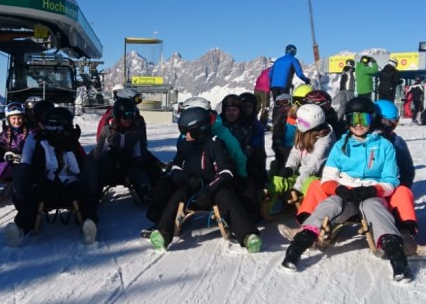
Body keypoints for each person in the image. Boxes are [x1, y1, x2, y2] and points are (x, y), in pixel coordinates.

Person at [279, 96, 409, 279]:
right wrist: (338, 189)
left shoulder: (384, 146)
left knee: (375, 208)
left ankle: (395, 253)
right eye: (353, 119)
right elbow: (328, 177)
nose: (359, 124)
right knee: (331, 204)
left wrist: (374, 190)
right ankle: (300, 243)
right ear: (348, 121)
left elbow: (391, 179)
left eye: (363, 119)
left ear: (372, 119)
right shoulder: (341, 146)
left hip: (372, 193)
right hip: (345, 192)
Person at [144, 106, 261, 253]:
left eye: (187, 131)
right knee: (177, 196)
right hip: (192, 186)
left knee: (228, 197)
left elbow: (226, 171)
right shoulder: (185, 145)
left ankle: (248, 235)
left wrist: (210, 189)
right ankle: (162, 232)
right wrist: (187, 179)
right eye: (182, 131)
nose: (184, 135)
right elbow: (176, 167)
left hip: (214, 188)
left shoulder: (215, 143)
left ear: (200, 130)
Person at [7, 106, 99, 246]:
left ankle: (89, 225)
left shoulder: (71, 144)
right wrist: (44, 183)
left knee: (81, 193)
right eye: (68, 125)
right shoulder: (42, 144)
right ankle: (20, 229)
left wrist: (70, 148)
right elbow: (37, 170)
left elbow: (78, 170)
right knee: (34, 197)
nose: (71, 128)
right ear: (58, 127)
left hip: (69, 184)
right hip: (48, 184)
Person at [267, 102, 335, 216]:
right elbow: (295, 152)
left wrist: (296, 188)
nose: (297, 122)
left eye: (301, 121)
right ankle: (269, 205)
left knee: (308, 185)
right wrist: (289, 168)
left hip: (317, 175)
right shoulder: (304, 132)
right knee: (279, 180)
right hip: (302, 172)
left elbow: (312, 167)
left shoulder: (324, 142)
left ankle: (310, 211)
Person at [93, 97, 161, 204]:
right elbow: (99, 151)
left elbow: (141, 150)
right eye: (125, 115)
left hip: (129, 162)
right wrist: (112, 158)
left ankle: (148, 191)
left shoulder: (138, 128)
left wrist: (133, 160)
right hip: (110, 164)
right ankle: (92, 194)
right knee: (97, 166)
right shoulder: (109, 129)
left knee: (141, 168)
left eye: (131, 114)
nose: (129, 118)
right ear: (118, 116)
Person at [376, 100, 419, 253]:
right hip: (365, 188)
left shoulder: (397, 142)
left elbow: (407, 171)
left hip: (389, 187)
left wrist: (399, 187)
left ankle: (406, 230)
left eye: (394, 121)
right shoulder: (361, 139)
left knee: (403, 192)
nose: (391, 125)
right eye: (388, 121)